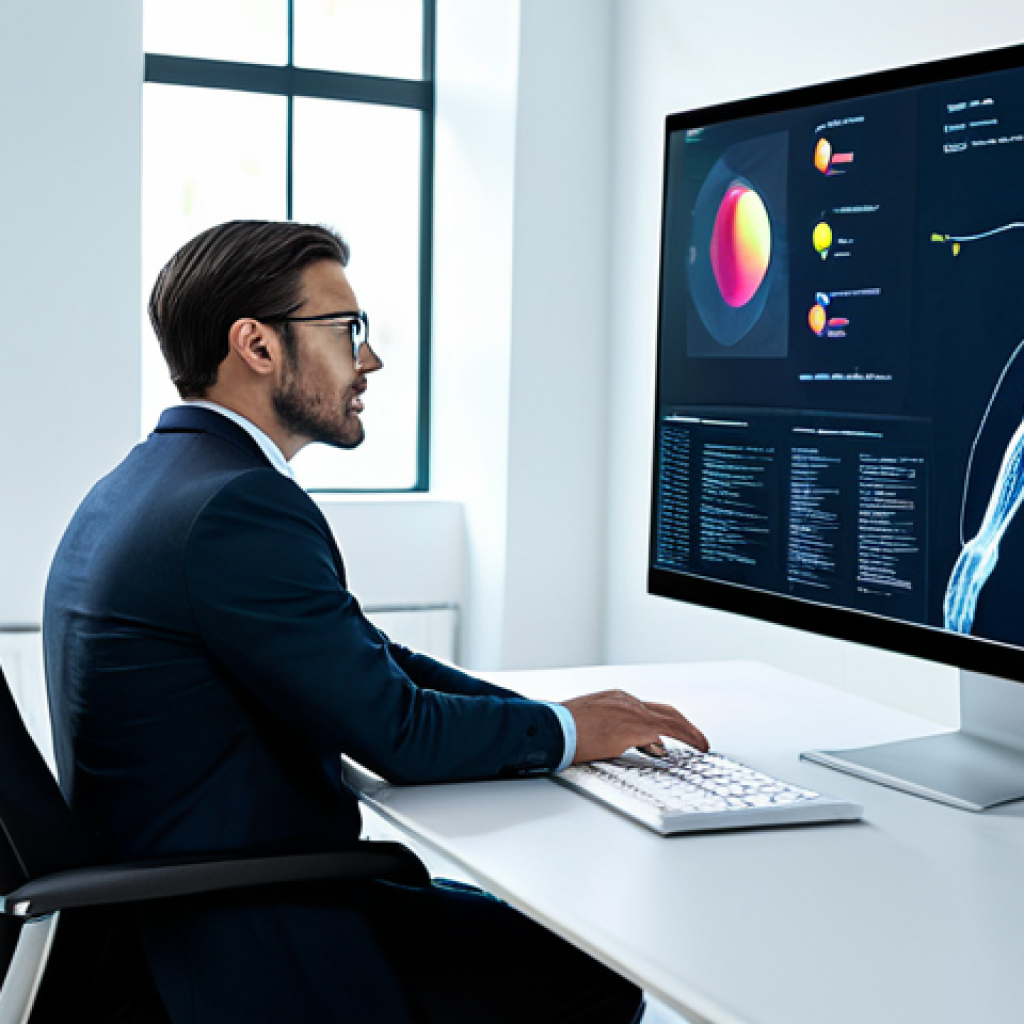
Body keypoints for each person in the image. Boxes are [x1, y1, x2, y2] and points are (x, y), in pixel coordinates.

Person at [43, 219, 708, 1023]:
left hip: (179, 909)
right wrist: (562, 733)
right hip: (242, 934)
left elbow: (367, 657)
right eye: (346, 330)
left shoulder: (148, 481)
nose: (370, 359)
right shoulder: (236, 506)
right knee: (590, 970)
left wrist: (555, 722)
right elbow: (396, 733)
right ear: (257, 346)